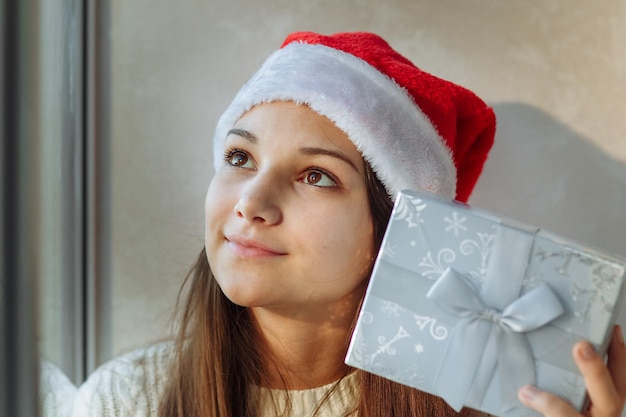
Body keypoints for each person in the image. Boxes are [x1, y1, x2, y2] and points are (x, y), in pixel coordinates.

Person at [72, 31, 626, 417]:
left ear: (393, 232)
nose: (252, 203)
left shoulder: (491, 406)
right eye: (240, 158)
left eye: (316, 175)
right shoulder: (123, 401)